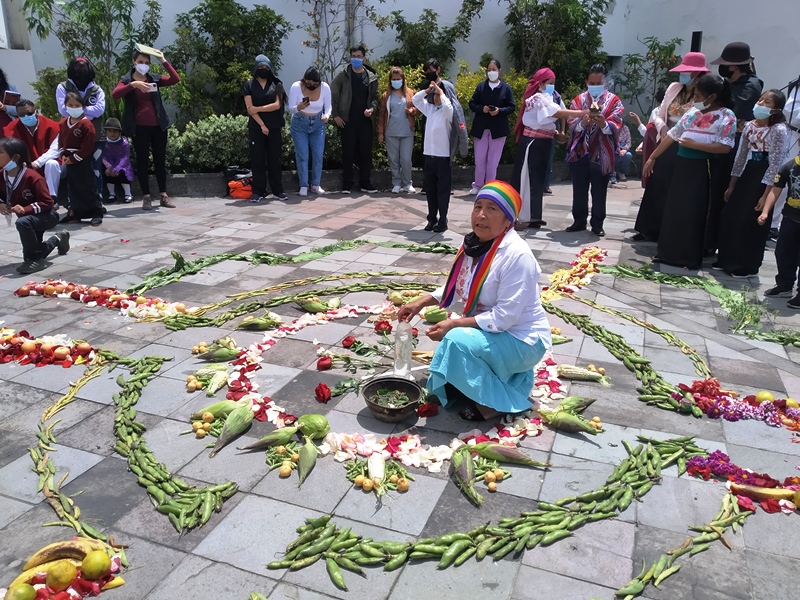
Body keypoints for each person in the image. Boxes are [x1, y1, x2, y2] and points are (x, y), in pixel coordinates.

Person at [397, 181, 552, 421]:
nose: (481, 214)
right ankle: (486, 380)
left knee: (456, 339)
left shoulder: (517, 255)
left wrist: (455, 325)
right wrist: (422, 301)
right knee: (457, 338)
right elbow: (460, 285)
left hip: (522, 340)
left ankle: (498, 403)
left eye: (492, 209)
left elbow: (504, 318)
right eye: (478, 206)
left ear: (508, 220)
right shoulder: (473, 244)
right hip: (497, 332)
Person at [643, 74, 736, 270]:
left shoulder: (726, 116)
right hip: (682, 165)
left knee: (695, 212)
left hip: (704, 168)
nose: (695, 100)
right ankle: (667, 253)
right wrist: (653, 157)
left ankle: (689, 257)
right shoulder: (693, 112)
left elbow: (725, 147)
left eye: (699, 95)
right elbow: (672, 135)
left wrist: (696, 145)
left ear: (712, 97)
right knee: (674, 210)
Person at [633, 53, 709, 241]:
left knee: (677, 189)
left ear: (697, 74)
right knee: (657, 183)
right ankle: (648, 228)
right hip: (666, 139)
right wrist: (663, 127)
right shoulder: (675, 88)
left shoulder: (704, 93)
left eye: (687, 71)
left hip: (687, 142)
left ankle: (668, 232)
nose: (682, 75)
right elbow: (659, 114)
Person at [713, 91, 789, 277]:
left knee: (749, 220)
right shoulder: (749, 126)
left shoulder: (779, 130)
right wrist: (732, 184)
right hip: (748, 171)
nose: (761, 103)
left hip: (764, 177)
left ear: (775, 109)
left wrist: (765, 195)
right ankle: (726, 259)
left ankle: (745, 265)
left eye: (767, 102)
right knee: (731, 216)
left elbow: (776, 163)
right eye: (760, 99)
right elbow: (740, 155)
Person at [705, 42, 764, 255]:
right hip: (718, 141)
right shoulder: (729, 82)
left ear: (735, 66)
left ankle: (715, 242)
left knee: (724, 193)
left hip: (735, 147)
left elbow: (735, 110)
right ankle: (709, 239)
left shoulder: (751, 86)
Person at [512, 68, 587, 229]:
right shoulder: (537, 98)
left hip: (544, 142)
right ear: (540, 84)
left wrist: (558, 133)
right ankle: (524, 216)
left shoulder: (549, 97)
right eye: (550, 83)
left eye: (553, 83)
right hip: (533, 143)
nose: (553, 86)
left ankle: (534, 216)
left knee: (538, 180)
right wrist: (582, 112)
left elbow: (555, 115)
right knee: (528, 180)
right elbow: (558, 112)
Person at [112, 48, 180, 211]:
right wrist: (133, 85)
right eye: (140, 62)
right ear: (134, 62)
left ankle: (163, 195)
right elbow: (115, 94)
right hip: (139, 128)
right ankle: (146, 197)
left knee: (160, 161)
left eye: (147, 63)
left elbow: (174, 79)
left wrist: (163, 60)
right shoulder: (126, 79)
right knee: (142, 161)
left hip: (158, 127)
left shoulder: (153, 78)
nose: (144, 65)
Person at [565, 64, 625, 237]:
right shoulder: (578, 100)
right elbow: (571, 122)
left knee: (599, 190)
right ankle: (579, 220)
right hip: (580, 150)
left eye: (599, 82)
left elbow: (617, 123)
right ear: (586, 82)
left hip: (602, 152)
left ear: (605, 82)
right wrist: (583, 123)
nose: (595, 85)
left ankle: (598, 223)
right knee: (579, 187)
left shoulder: (614, 101)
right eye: (591, 82)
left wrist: (603, 124)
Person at [0, 137, 69, 274]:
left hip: (46, 215)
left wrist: (25, 209)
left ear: (15, 157)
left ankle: (36, 261)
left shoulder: (33, 177)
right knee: (32, 253)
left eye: (0, 152)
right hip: (28, 219)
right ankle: (58, 238)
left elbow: (47, 202)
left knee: (22, 222)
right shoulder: (2, 175)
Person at [330, 45, 379, 194]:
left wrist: (372, 109)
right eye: (353, 56)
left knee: (365, 153)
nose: (356, 59)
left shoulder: (371, 76)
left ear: (364, 58)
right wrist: (336, 115)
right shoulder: (343, 75)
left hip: (365, 121)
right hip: (347, 120)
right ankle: (347, 184)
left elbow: (375, 98)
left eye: (359, 56)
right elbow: (332, 94)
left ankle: (365, 182)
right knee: (348, 153)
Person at [56, 58, 106, 202]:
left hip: (96, 138)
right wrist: (88, 112)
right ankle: (77, 204)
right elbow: (64, 111)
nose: (81, 71)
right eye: (78, 68)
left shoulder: (97, 89)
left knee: (95, 170)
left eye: (84, 68)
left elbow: (100, 110)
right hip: (72, 140)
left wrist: (78, 111)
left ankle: (97, 202)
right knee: (75, 172)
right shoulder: (62, 88)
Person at [243, 55, 288, 203]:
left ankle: (278, 190)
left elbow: (277, 105)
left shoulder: (276, 84)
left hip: (274, 127)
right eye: (260, 67)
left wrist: (258, 108)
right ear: (256, 68)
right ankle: (258, 191)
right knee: (258, 160)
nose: (263, 70)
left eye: (266, 68)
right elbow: (250, 109)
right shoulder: (249, 85)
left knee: (275, 159)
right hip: (257, 128)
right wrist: (262, 125)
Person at [760, 151, 800, 308]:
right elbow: (775, 190)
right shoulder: (789, 167)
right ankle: (784, 285)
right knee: (783, 252)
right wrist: (765, 212)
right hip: (790, 218)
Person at [468, 59, 515, 194]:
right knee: (479, 158)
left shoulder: (506, 88)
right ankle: (477, 185)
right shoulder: (481, 87)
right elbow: (472, 103)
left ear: (499, 70)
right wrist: (481, 108)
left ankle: (489, 186)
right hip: (481, 127)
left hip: (498, 129)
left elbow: (511, 107)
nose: (491, 72)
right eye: (489, 69)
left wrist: (499, 111)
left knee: (493, 160)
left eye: (494, 69)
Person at [413, 77, 453, 232]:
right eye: (434, 96)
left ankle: (443, 221)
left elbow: (449, 108)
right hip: (429, 156)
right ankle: (431, 219)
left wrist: (441, 93)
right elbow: (416, 100)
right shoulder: (429, 109)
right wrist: (428, 90)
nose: (436, 98)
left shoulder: (447, 111)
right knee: (430, 191)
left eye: (438, 95)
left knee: (442, 192)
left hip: (443, 158)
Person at [59, 93, 104, 226]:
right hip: (68, 159)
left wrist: (74, 158)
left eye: (77, 105)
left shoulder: (86, 125)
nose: (74, 108)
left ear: (83, 107)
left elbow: (87, 146)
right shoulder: (62, 123)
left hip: (82, 159)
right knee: (72, 186)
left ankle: (96, 212)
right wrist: (63, 155)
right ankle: (74, 211)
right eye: (70, 105)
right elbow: (60, 141)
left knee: (88, 185)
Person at [2, 99, 63, 199]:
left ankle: (51, 198)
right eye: (22, 115)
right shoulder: (12, 128)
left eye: (29, 113)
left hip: (51, 164)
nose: (26, 117)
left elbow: (55, 150)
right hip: (27, 164)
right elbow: (11, 151)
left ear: (36, 111)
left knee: (51, 164)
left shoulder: (52, 126)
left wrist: (37, 163)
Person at [288, 66, 331, 197]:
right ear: (304, 79)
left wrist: (327, 116)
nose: (311, 85)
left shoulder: (325, 88)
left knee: (318, 155)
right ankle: (303, 185)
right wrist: (298, 107)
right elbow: (290, 108)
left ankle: (316, 185)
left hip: (318, 123)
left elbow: (328, 106)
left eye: (314, 83)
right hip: (300, 123)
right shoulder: (296, 86)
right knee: (303, 156)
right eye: (308, 83)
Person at [377, 67, 418, 194]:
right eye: (393, 79)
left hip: (407, 131)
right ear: (390, 80)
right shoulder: (386, 96)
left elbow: (418, 109)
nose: (396, 81)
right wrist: (380, 132)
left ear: (403, 79)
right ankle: (396, 183)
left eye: (398, 79)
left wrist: (413, 111)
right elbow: (382, 114)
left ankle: (407, 183)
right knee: (393, 159)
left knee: (406, 159)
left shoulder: (411, 93)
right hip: (391, 132)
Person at [423, 58, 469, 163]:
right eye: (427, 72)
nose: (428, 74)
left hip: (444, 132)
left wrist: (464, 148)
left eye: (430, 71)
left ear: (438, 69)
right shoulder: (426, 87)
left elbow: (457, 114)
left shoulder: (446, 86)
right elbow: (418, 101)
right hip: (429, 130)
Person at [101, 117, 135, 203]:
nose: (112, 133)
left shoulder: (124, 143)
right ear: (106, 132)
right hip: (109, 165)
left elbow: (124, 157)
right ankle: (112, 194)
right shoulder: (104, 143)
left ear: (120, 132)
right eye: (110, 131)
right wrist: (109, 167)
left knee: (123, 173)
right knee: (105, 172)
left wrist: (116, 168)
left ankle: (128, 194)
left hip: (122, 165)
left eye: (115, 131)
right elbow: (104, 156)